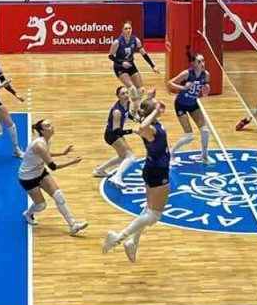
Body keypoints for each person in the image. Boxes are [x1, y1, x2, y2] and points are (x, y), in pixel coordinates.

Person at [103, 96, 169, 262]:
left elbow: (143, 120)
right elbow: (142, 126)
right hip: (157, 172)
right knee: (154, 215)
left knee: (149, 210)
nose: (160, 107)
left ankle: (133, 243)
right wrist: (154, 109)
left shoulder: (153, 125)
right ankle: (119, 237)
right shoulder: (149, 129)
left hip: (154, 168)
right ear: (151, 113)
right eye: (157, 107)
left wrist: (151, 100)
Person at [19, 119, 88, 235]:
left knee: (59, 196)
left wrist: (62, 153)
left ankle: (73, 225)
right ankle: (28, 213)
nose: (52, 126)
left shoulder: (46, 141)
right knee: (41, 206)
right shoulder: (39, 144)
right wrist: (72, 162)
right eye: (48, 126)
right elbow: (53, 167)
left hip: (40, 172)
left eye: (51, 124)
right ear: (42, 131)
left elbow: (45, 154)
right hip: (28, 178)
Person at [167, 53, 213, 164]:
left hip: (193, 104)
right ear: (193, 63)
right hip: (181, 104)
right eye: (199, 61)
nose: (202, 64)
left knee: (205, 131)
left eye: (203, 61)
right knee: (189, 136)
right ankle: (171, 154)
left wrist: (207, 89)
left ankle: (204, 155)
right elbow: (169, 84)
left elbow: (205, 89)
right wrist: (183, 87)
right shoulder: (187, 73)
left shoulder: (206, 74)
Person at [94, 86, 141, 185]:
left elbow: (127, 114)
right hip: (112, 135)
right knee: (131, 157)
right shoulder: (117, 111)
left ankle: (99, 170)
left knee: (122, 157)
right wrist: (132, 131)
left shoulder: (127, 103)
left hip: (115, 134)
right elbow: (117, 131)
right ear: (118, 96)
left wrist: (135, 119)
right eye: (123, 94)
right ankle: (117, 177)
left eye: (127, 93)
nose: (126, 96)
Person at [109, 21, 156, 102]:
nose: (128, 30)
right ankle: (131, 109)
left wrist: (153, 66)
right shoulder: (117, 42)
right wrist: (122, 63)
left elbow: (144, 54)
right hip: (120, 67)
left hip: (131, 65)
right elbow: (110, 56)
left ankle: (135, 108)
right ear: (122, 30)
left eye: (129, 28)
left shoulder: (135, 40)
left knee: (141, 90)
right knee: (132, 89)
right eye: (126, 29)